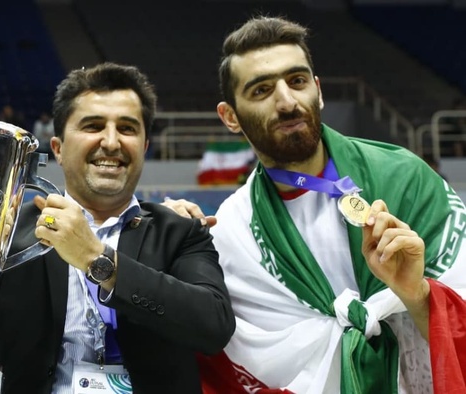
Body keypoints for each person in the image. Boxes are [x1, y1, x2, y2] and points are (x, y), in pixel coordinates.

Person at [0, 62, 235, 393]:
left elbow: (212, 328)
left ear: (145, 147)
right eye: (93, 126)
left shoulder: (180, 231)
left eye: (127, 128)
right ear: (58, 148)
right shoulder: (8, 232)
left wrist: (99, 260)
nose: (111, 142)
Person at [198, 16, 466, 393]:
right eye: (261, 91)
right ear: (230, 117)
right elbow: (232, 365)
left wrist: (416, 295)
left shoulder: (406, 179)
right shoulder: (234, 231)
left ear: (318, 90)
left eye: (297, 81)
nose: (287, 102)